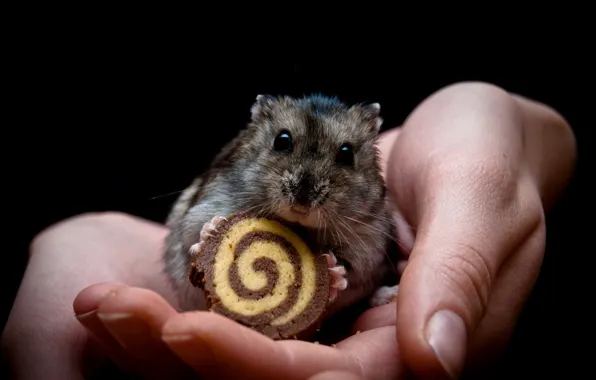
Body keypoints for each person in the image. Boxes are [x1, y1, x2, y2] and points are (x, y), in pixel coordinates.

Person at [1, 82, 577, 379]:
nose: (306, 185)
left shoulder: (375, 215)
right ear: (262, 133)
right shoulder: (230, 182)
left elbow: (368, 268)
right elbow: (190, 230)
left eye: (344, 157)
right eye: (284, 146)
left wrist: (537, 138)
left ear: (366, 152)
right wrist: (206, 263)